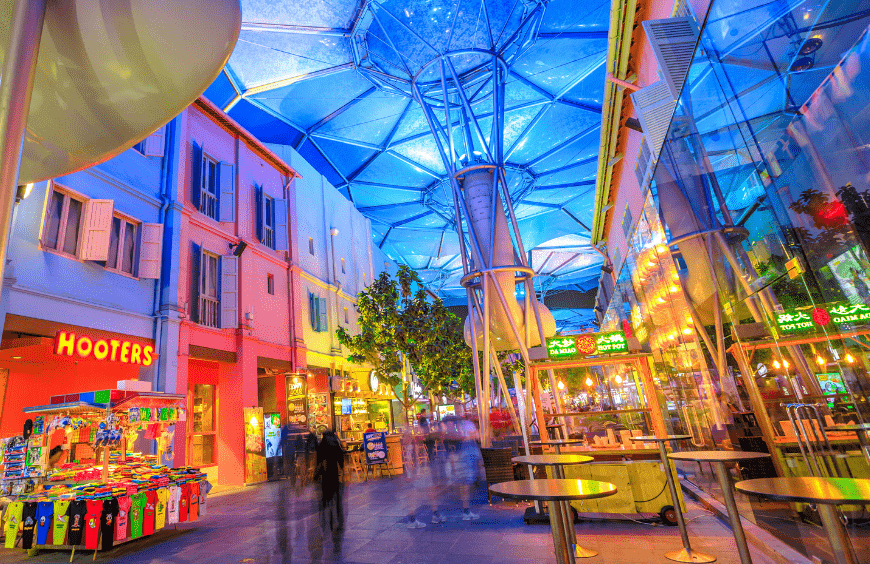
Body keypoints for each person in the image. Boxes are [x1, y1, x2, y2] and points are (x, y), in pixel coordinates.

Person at [314, 430, 345, 531]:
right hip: (334, 474)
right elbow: (340, 458)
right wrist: (342, 469)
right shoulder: (335, 444)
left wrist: (316, 475)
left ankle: (325, 520)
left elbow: (318, 462)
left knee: (325, 499)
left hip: (325, 476)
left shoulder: (321, 445)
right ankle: (339, 521)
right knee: (337, 499)